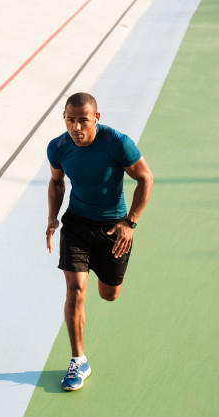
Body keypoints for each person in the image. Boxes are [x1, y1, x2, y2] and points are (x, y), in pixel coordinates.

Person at [46, 92, 153, 391]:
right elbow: (57, 182)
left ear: (96, 118)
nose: (76, 127)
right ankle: (78, 360)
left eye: (83, 120)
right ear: (64, 118)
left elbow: (145, 178)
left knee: (109, 294)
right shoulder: (57, 147)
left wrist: (130, 222)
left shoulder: (117, 142)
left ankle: (102, 271)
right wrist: (53, 218)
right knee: (76, 289)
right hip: (77, 225)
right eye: (70, 120)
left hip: (113, 229)